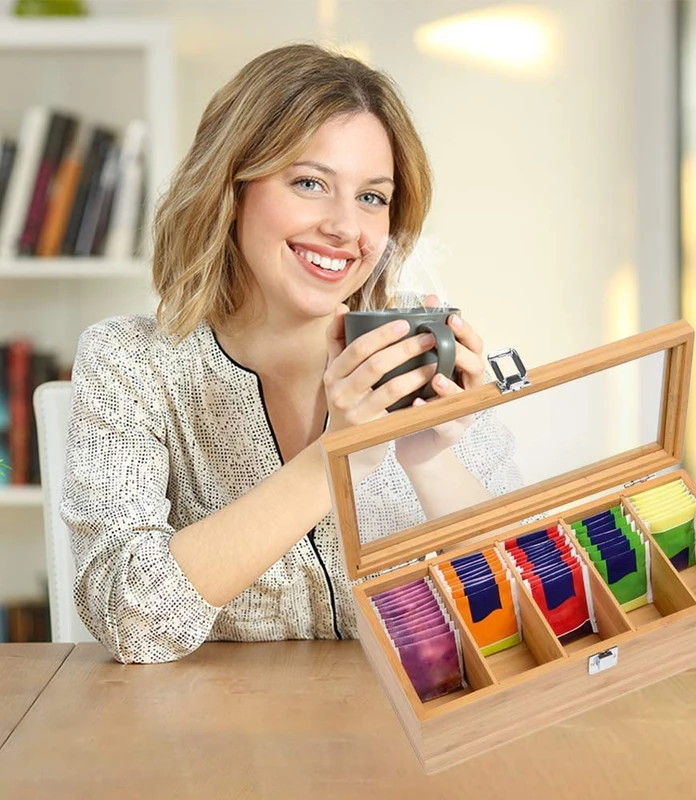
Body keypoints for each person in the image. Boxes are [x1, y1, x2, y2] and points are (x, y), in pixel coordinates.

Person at [61, 43, 521, 664]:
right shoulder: (131, 362)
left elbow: (526, 609)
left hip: (405, 718)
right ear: (231, 188)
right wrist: (334, 459)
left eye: (372, 197)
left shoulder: (421, 345)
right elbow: (129, 621)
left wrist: (432, 459)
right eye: (310, 183)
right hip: (214, 721)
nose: (345, 228)